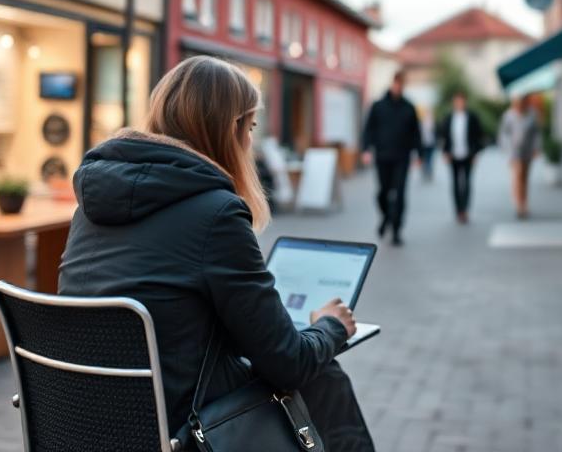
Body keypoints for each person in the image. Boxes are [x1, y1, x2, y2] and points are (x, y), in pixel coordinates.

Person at [58, 56, 374, 450]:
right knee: (324, 373)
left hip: (79, 415)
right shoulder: (217, 213)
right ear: (231, 129)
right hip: (175, 424)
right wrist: (329, 326)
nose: (250, 142)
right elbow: (287, 362)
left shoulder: (89, 206)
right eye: (251, 127)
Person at [361, 70, 421, 246]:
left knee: (400, 194)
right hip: (382, 156)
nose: (398, 87)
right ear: (392, 83)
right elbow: (368, 129)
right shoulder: (378, 106)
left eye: (401, 84)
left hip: (402, 157)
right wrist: (366, 149)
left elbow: (416, 133)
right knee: (383, 193)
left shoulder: (409, 107)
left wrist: (420, 154)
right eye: (396, 83)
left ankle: (396, 229)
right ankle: (386, 217)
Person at [440, 90, 484, 224]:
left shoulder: (472, 117)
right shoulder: (448, 118)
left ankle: (465, 209)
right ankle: (458, 210)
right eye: (457, 101)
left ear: (465, 102)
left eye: (461, 101)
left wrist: (476, 153)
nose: (459, 103)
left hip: (468, 155)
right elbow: (444, 136)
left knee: (467, 183)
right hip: (453, 155)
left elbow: (479, 137)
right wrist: (445, 152)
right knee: (455, 184)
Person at [499, 94, 539, 218]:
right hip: (514, 152)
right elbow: (504, 134)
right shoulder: (509, 115)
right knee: (517, 176)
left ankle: (524, 202)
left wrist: (536, 148)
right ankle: (519, 205)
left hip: (527, 151)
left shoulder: (532, 114)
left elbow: (536, 133)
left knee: (524, 178)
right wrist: (507, 150)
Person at [418, 106, 437, 182]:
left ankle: (429, 173)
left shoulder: (433, 123)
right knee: (425, 159)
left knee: (430, 159)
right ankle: (425, 172)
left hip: (431, 144)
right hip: (423, 144)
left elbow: (436, 133)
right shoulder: (421, 122)